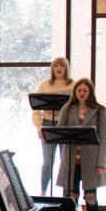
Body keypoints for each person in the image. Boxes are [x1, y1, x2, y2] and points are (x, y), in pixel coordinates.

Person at [55, 78, 106, 211]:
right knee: (72, 197)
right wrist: (62, 158)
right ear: (75, 92)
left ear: (90, 92)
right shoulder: (68, 108)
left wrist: (101, 163)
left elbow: (104, 138)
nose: (82, 93)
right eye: (79, 90)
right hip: (71, 160)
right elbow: (59, 133)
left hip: (91, 161)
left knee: (90, 197)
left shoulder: (99, 111)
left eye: (85, 90)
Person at [33, 57, 74, 194]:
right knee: (47, 161)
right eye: (55, 66)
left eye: (61, 66)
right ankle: (43, 192)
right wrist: (40, 128)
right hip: (48, 124)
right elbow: (36, 109)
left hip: (66, 125)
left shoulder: (73, 85)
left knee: (66, 162)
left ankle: (66, 193)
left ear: (66, 68)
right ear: (52, 68)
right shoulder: (44, 85)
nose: (58, 68)